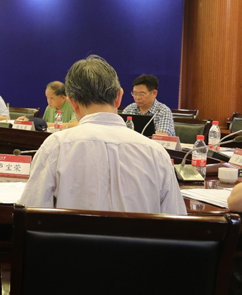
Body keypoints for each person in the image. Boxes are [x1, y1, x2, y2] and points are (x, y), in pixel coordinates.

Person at [19, 55, 186, 215]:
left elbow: (29, 216)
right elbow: (177, 223)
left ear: (72, 103)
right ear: (119, 97)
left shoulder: (55, 147)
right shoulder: (157, 154)